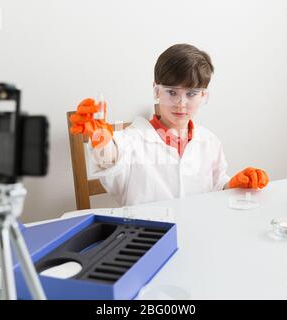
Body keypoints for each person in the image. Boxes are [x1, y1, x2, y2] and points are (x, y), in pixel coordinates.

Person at [70, 43, 269, 206]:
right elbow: (111, 159)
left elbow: (216, 188)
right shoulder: (132, 139)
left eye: (191, 94)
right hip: (146, 240)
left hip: (198, 234)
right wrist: (101, 139)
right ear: (156, 91)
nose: (181, 103)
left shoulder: (209, 142)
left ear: (203, 96)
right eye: (172, 92)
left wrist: (233, 185)